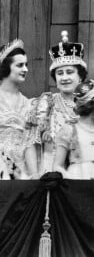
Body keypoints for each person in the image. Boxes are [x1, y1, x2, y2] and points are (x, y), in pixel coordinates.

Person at [27, 31, 88, 175]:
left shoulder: (90, 105)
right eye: (60, 73)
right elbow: (30, 143)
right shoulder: (45, 104)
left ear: (80, 77)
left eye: (69, 72)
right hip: (50, 172)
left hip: (82, 172)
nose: (64, 77)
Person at [0, 39, 38, 179]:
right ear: (6, 67)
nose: (25, 69)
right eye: (20, 65)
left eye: (26, 65)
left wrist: (34, 175)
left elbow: (28, 143)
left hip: (19, 176)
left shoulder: (28, 104)